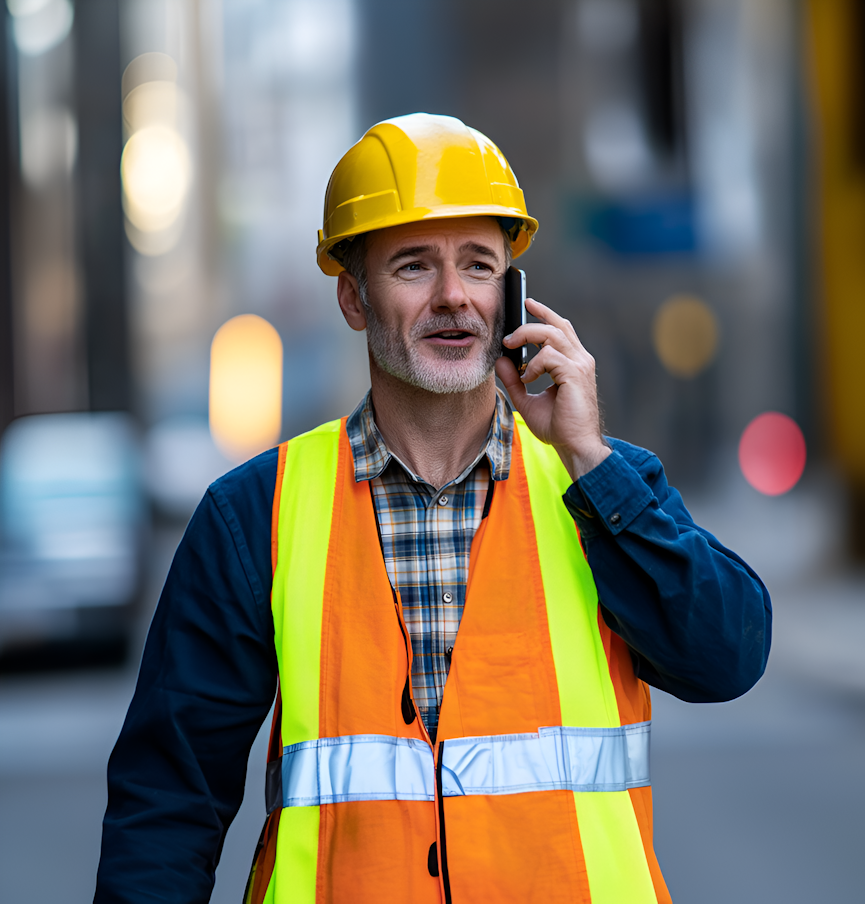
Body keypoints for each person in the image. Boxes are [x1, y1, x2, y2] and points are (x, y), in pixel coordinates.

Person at [95, 113, 770, 904]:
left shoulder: (600, 489)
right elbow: (166, 805)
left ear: (512, 297)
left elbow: (728, 658)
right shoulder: (254, 517)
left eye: (479, 266)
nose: (453, 297)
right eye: (414, 266)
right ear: (353, 297)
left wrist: (589, 457)